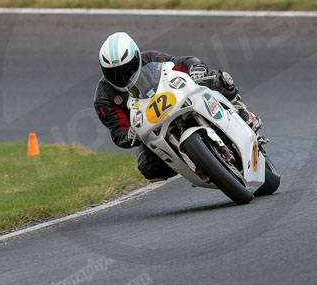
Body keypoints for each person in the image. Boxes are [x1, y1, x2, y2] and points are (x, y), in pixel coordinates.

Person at [93, 31, 261, 182]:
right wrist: (129, 135)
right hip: (153, 129)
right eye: (112, 72)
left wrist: (195, 67)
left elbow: (179, 62)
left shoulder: (149, 58)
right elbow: (117, 132)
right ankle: (195, 163)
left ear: (136, 58)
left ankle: (242, 111)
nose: (120, 76)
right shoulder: (104, 97)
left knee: (216, 79)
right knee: (149, 168)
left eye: (126, 68)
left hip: (178, 101)